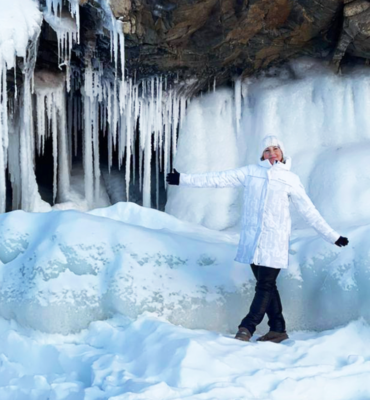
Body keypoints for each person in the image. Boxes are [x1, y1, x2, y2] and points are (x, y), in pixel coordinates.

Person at [166, 135, 349, 343]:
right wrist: (183, 179)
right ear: (262, 154)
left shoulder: (290, 179)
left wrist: (332, 236)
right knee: (268, 286)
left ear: (282, 152)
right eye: (267, 150)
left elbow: (309, 211)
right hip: (253, 243)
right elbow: (218, 178)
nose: (272, 153)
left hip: (274, 242)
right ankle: (278, 329)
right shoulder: (251, 173)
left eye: (275, 149)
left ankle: (247, 327)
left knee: (264, 286)